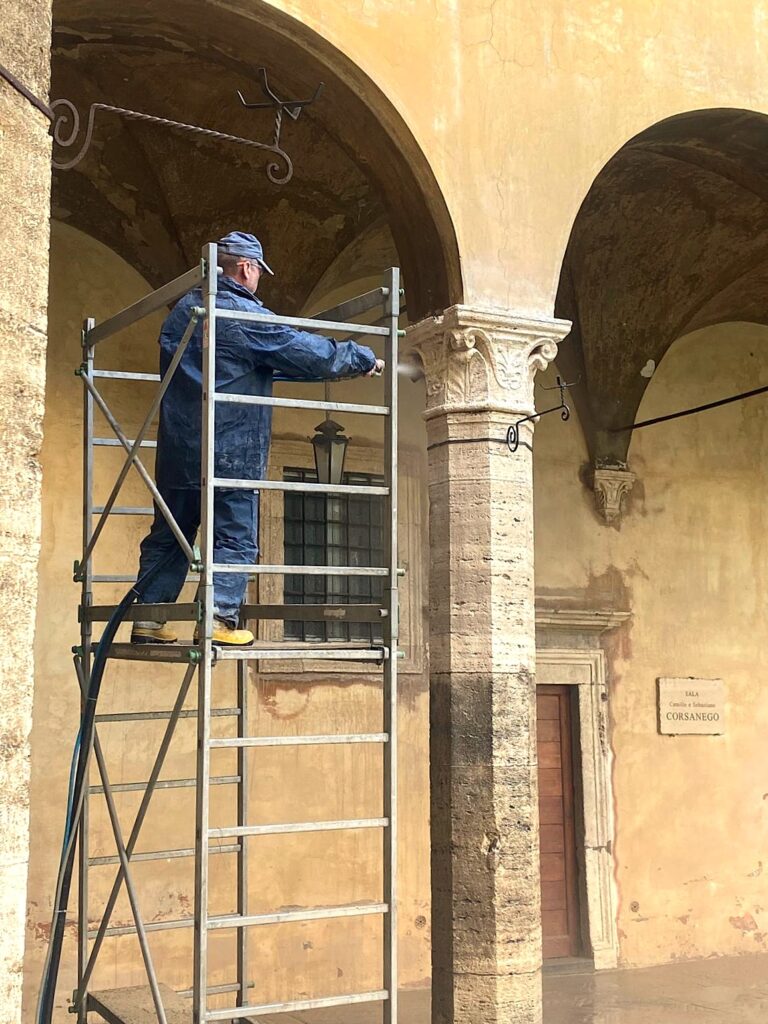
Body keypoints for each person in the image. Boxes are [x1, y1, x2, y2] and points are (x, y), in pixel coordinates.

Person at [131, 231, 384, 646]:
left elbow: (246, 362)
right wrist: (361, 358)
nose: (259, 280)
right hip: (231, 448)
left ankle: (148, 617)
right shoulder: (241, 314)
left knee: (170, 534)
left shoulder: (182, 313)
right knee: (234, 535)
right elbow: (306, 352)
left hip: (179, 448)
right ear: (247, 268)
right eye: (259, 272)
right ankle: (215, 618)